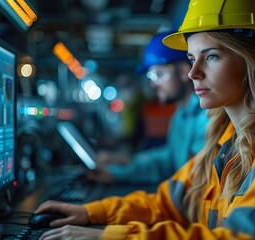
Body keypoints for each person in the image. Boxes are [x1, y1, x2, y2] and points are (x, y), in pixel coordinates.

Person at [35, 0, 255, 239]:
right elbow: (167, 201)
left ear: (253, 61)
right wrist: (90, 213)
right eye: (191, 58)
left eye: (212, 56)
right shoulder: (224, 140)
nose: (193, 73)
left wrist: (111, 236)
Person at [87, 31, 209, 185]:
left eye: (158, 74)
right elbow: (168, 159)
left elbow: (194, 180)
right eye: (150, 77)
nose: (153, 84)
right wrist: (125, 163)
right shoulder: (180, 116)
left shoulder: (207, 117)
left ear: (184, 72)